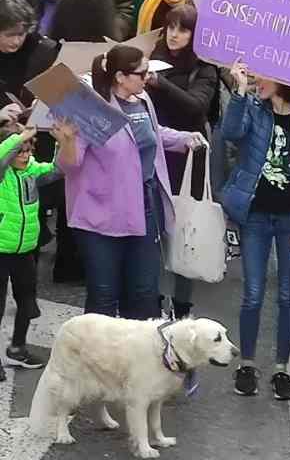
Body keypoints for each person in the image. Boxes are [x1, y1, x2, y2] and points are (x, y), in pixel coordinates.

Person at [62, 44, 206, 319]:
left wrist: (183, 138)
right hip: (100, 216)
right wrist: (67, 140)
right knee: (104, 295)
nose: (148, 78)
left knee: (142, 293)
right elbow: (69, 164)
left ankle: (134, 358)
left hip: (143, 208)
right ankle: (97, 359)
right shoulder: (92, 108)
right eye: (142, 73)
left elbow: (152, 134)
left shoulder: (143, 101)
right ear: (120, 77)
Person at [221, 58, 290, 403]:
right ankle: (248, 364)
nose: (255, 78)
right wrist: (239, 93)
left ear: (285, 78)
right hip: (255, 215)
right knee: (253, 293)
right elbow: (230, 133)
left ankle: (282, 367)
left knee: (287, 296)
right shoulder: (252, 107)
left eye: (260, 73)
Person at [0, 110, 77, 371]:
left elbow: (59, 169)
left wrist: (62, 141)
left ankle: (17, 348)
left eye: (28, 150)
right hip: (1, 251)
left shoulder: (32, 170)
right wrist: (20, 136)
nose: (24, 155)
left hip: (25, 251)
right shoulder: (2, 176)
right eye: (18, 151)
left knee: (27, 301)